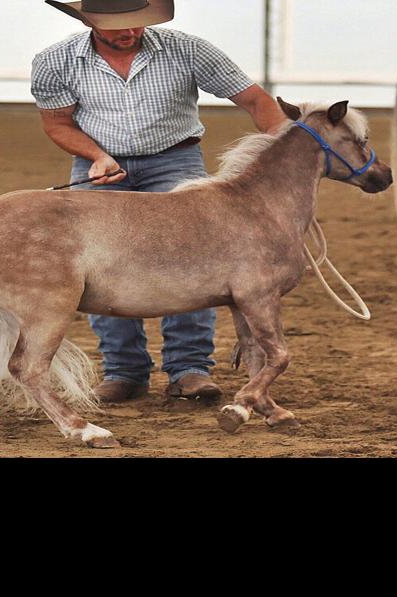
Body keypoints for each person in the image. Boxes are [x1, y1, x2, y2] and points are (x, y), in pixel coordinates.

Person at [31, 0, 289, 402]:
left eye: (136, 23)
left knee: (192, 260)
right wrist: (97, 155)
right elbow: (58, 123)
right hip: (98, 163)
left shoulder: (187, 49)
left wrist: (283, 149)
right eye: (118, 25)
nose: (129, 31)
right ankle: (124, 372)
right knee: (101, 267)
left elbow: (255, 99)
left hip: (175, 159)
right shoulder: (56, 61)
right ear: (90, 21)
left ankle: (189, 370)